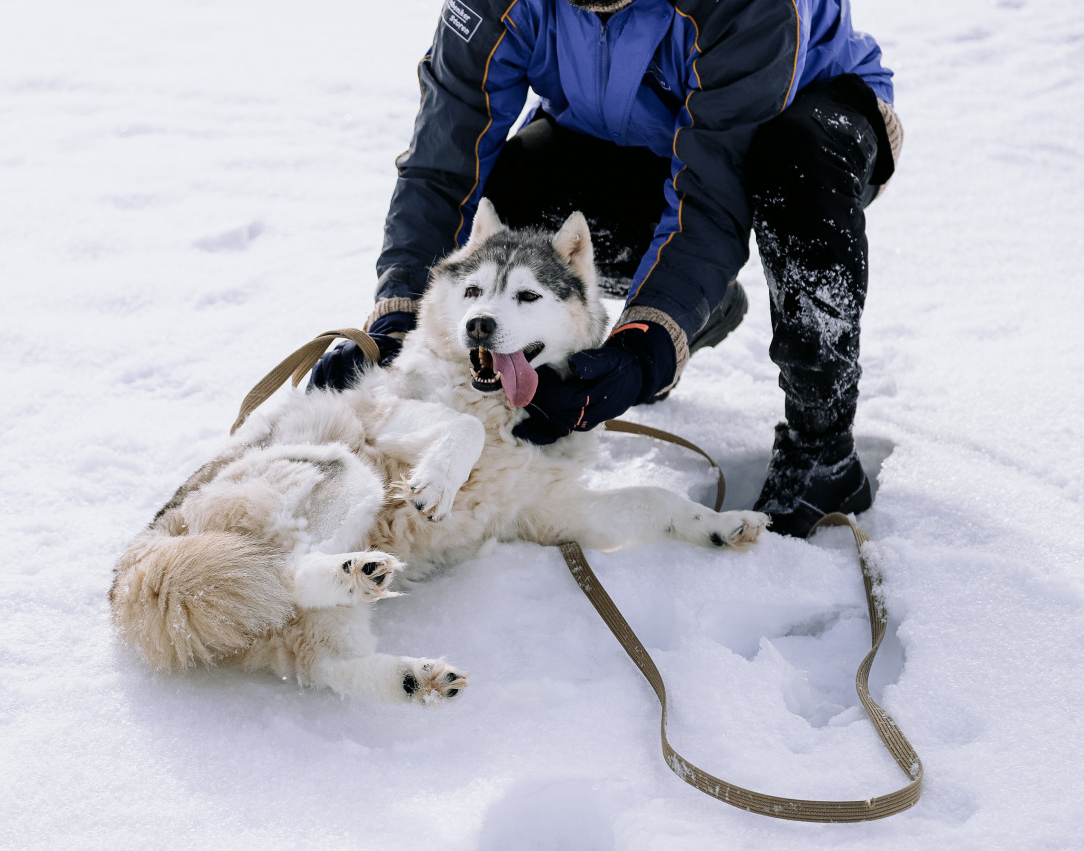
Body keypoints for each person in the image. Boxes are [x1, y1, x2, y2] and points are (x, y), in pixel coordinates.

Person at [310, 0, 903, 537]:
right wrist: (400, 316)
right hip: (616, 131)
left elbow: (710, 202)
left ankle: (821, 450)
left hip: (795, 121)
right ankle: (686, 305)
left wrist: (641, 353)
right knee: (510, 213)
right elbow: (445, 166)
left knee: (797, 163)